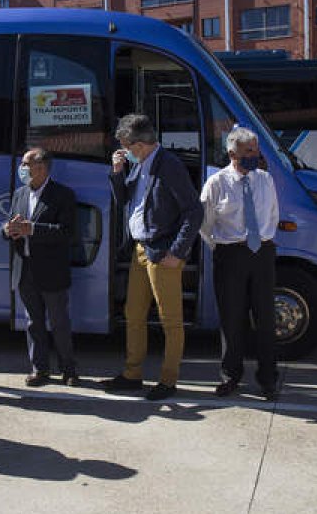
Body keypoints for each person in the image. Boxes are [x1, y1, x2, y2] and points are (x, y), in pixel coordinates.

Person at [102, 114, 203, 401]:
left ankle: (168, 381)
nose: (123, 150)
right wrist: (118, 171)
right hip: (140, 249)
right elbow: (123, 199)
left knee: (170, 320)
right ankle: (132, 375)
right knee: (133, 314)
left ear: (141, 144)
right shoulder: (140, 164)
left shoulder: (169, 165)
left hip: (162, 252)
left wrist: (177, 252)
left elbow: (193, 211)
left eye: (125, 146)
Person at [199, 128, 280, 400]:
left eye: (256, 150)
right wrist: (219, 247)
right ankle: (230, 376)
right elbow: (204, 224)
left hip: (262, 253)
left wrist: (265, 241)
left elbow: (273, 214)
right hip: (230, 254)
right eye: (248, 151)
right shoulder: (216, 183)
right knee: (232, 319)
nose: (254, 156)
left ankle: (268, 379)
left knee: (266, 319)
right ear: (232, 153)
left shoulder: (266, 179)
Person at [2, 148, 80, 387]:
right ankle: (40, 369)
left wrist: (33, 229)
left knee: (59, 323)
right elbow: (11, 226)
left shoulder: (63, 195)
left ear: (42, 168)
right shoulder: (20, 194)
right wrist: (7, 230)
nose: (22, 168)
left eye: (26, 164)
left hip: (51, 271)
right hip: (24, 269)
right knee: (33, 323)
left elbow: (68, 233)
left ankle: (69, 370)